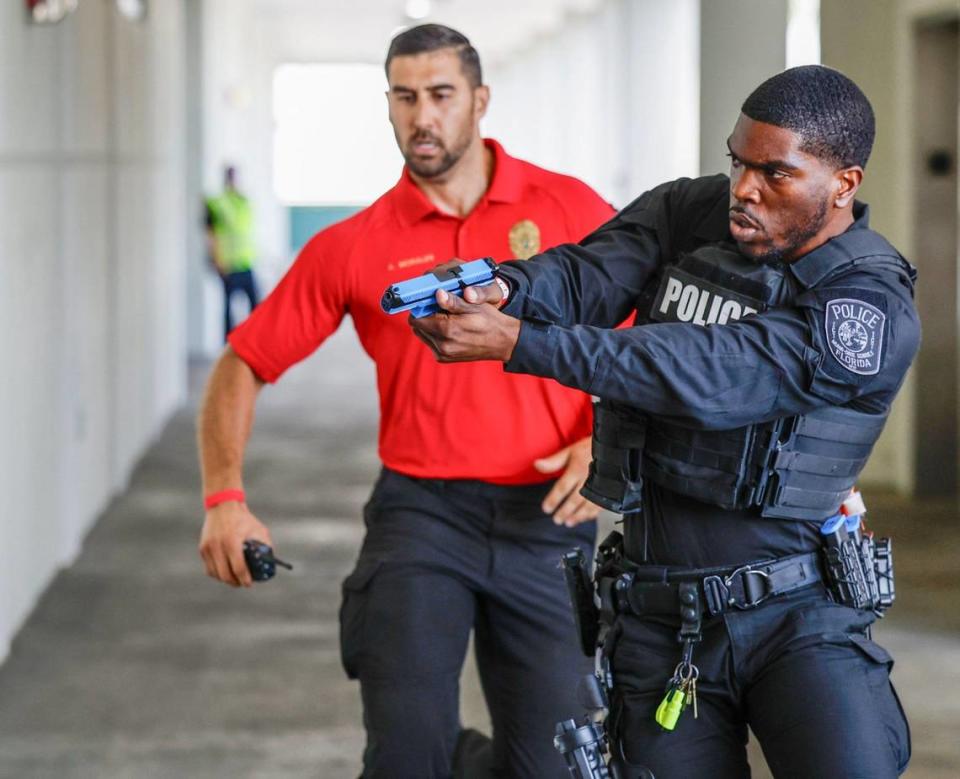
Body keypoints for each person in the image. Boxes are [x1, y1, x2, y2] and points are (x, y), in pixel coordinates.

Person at [410, 65, 919, 778]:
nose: (744, 187)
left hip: (798, 615)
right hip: (660, 613)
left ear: (844, 183)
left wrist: (523, 343)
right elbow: (587, 274)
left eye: (775, 173)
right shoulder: (691, 212)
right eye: (738, 161)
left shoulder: (866, 304)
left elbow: (712, 369)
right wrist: (506, 288)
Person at [196, 24, 615, 779]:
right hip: (422, 515)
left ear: (479, 101)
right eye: (405, 96)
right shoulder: (355, 245)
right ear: (388, 104)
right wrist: (224, 495)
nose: (422, 116)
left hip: (546, 520)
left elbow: (651, 337)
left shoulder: (569, 209)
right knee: (404, 758)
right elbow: (242, 362)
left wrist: (607, 445)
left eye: (441, 95)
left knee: (558, 766)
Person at [205, 165, 260, 340]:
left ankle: (255, 342)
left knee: (256, 306)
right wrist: (216, 260)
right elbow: (211, 235)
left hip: (246, 262)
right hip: (227, 265)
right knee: (228, 309)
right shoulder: (217, 204)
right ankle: (228, 346)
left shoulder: (243, 201)